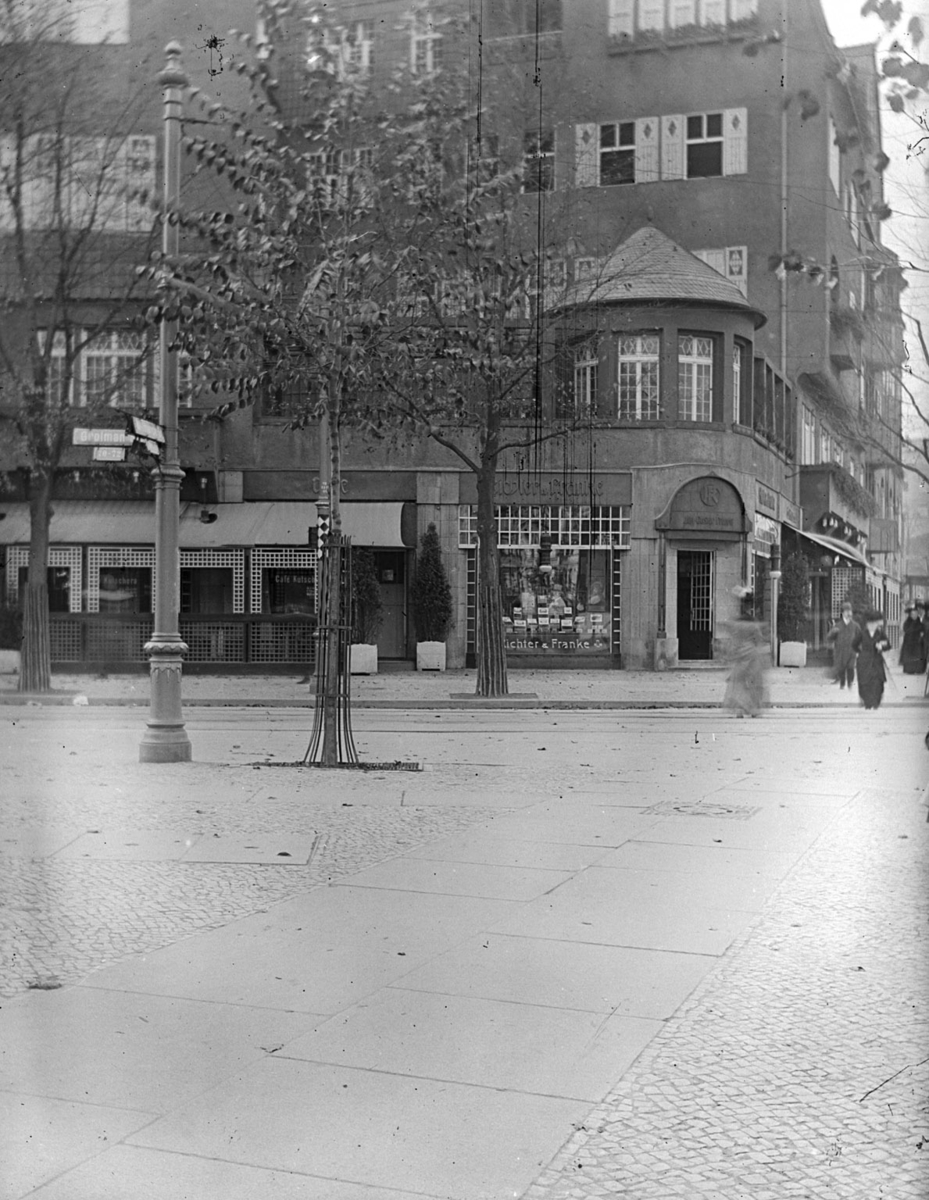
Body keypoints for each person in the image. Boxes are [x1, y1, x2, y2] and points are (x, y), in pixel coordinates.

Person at [722, 588, 770, 717]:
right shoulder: (753, 622)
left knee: (739, 682)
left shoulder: (737, 622)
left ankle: (739, 709)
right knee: (754, 681)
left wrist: (731, 654)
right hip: (752, 654)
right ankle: (754, 709)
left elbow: (733, 639)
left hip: (740, 654)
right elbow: (758, 638)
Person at [853, 609, 891, 710]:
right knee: (865, 682)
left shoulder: (880, 633)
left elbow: (888, 645)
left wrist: (881, 647)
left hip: (876, 661)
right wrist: (860, 653)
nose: (872, 625)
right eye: (870, 623)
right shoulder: (862, 633)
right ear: (867, 623)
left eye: (874, 623)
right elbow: (854, 645)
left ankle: (875, 702)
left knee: (877, 682)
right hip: (864, 661)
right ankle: (867, 703)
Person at [826, 601, 860, 689]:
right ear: (842, 613)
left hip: (851, 651)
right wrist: (833, 632)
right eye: (846, 611)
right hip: (840, 651)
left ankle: (850, 684)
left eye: (850, 611)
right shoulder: (838, 626)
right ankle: (841, 683)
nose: (849, 613)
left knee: (851, 667)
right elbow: (829, 637)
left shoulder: (855, 626)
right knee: (841, 667)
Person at [899, 604, 927, 674]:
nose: (914, 616)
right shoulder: (907, 622)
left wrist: (922, 633)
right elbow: (906, 630)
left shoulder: (920, 623)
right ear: (910, 615)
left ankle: (918, 669)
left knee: (918, 655)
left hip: (918, 642)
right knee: (909, 656)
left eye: (915, 614)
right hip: (909, 642)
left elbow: (923, 629)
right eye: (913, 614)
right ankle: (909, 669)